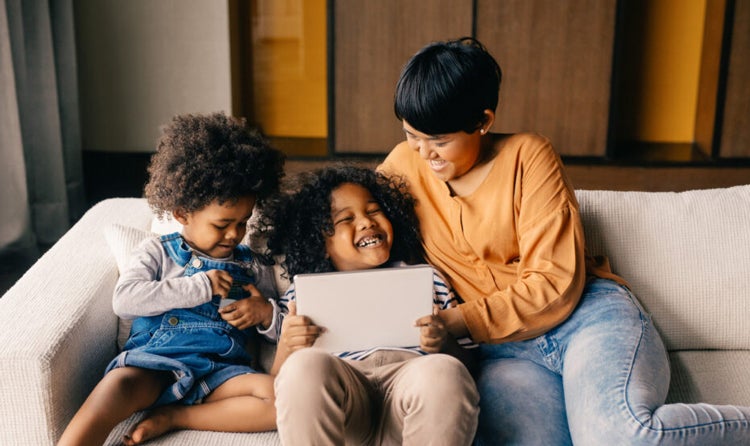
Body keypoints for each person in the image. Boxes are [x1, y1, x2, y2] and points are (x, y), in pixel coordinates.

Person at [379, 37, 750, 445]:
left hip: (586, 319)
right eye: (413, 135)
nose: (424, 153)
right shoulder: (402, 165)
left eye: (440, 140)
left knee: (623, 437)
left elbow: (554, 283)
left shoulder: (529, 155)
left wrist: (454, 321)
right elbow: (347, 223)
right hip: (500, 354)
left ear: (483, 121)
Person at [58, 112, 286, 445]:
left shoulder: (251, 264)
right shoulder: (158, 252)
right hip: (157, 363)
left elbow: (283, 323)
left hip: (220, 372)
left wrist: (264, 313)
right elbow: (126, 300)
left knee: (279, 397)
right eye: (221, 225)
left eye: (243, 222)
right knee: (114, 387)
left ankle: (173, 417)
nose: (234, 234)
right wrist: (201, 286)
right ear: (182, 213)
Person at [257, 165, 479, 445]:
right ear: (321, 243)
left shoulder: (426, 279)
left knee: (444, 371)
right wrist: (289, 346)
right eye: (346, 219)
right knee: (303, 366)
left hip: (412, 390)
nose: (366, 222)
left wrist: (443, 341)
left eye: (374, 211)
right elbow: (281, 384)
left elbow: (469, 365)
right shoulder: (302, 294)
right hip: (346, 402)